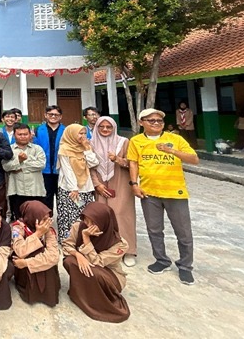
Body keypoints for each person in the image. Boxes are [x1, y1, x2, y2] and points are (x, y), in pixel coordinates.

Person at [128, 108, 199, 285]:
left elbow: (194, 159)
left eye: (159, 121)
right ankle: (161, 260)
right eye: (151, 120)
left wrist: (172, 151)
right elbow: (133, 163)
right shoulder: (136, 141)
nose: (156, 123)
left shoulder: (175, 139)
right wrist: (134, 184)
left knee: (183, 232)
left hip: (175, 192)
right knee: (154, 229)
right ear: (141, 123)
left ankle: (185, 266)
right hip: (149, 192)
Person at [62, 202, 130, 323]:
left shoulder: (120, 244)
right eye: (86, 220)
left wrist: (86, 238)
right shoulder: (78, 226)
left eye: (93, 223)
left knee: (92, 270)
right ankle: (81, 294)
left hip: (109, 275)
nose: (88, 226)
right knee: (69, 261)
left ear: (104, 222)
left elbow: (97, 261)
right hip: (88, 266)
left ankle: (95, 301)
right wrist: (78, 255)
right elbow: (66, 245)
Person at [90, 116, 137, 267]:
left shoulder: (124, 142)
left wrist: (117, 159)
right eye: (101, 126)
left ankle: (128, 250)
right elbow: (89, 167)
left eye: (108, 127)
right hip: (100, 185)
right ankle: (106, 249)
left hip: (121, 182)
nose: (105, 129)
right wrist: (97, 184)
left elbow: (132, 163)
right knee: (102, 216)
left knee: (122, 215)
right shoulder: (91, 143)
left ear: (114, 128)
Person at [56, 124, 100, 243]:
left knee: (84, 215)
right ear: (72, 134)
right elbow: (67, 170)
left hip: (86, 187)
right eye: (80, 133)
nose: (83, 136)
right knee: (68, 216)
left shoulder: (85, 147)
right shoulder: (64, 149)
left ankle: (82, 240)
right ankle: (67, 241)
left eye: (84, 133)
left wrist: (87, 148)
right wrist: (74, 188)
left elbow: (94, 163)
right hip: (69, 189)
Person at [11, 200, 60, 306]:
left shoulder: (48, 230)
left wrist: (27, 263)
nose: (48, 222)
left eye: (48, 218)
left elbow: (54, 256)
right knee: (33, 252)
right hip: (24, 271)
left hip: (28, 264)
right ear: (33, 217)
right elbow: (20, 251)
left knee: (46, 260)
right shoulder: (18, 227)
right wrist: (37, 234)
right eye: (44, 219)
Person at [2, 123, 46, 220]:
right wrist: (19, 161)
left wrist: (20, 165)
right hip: (17, 190)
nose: (23, 137)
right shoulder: (9, 150)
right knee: (19, 220)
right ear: (14, 135)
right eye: (20, 134)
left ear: (30, 135)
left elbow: (41, 165)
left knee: (37, 219)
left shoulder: (37, 149)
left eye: (25, 134)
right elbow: (6, 167)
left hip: (35, 190)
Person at [34, 105, 66, 211]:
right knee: (45, 196)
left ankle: (62, 219)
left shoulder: (66, 130)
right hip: (44, 169)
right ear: (45, 115)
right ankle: (47, 218)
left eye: (56, 114)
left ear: (60, 116)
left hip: (61, 169)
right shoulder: (38, 130)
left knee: (61, 197)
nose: (53, 116)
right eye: (50, 114)